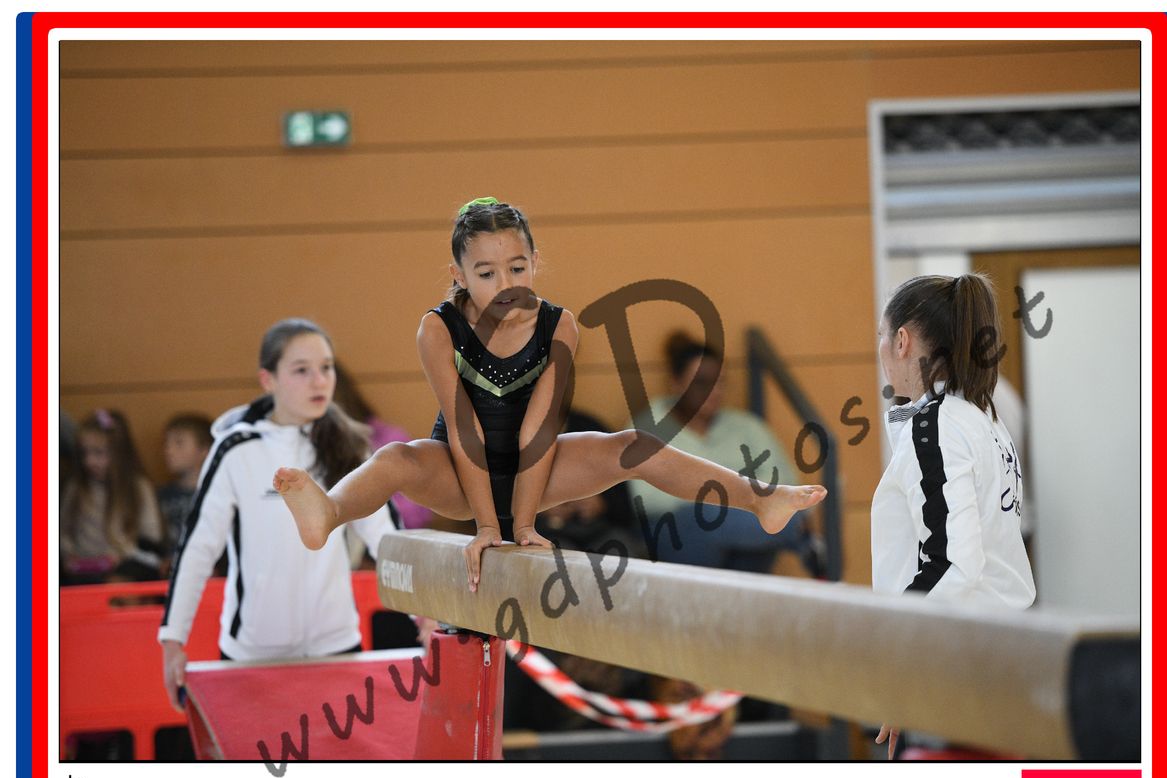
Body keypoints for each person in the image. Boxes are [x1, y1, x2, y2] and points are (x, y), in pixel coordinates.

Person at [272, 198, 827, 591]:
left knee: (632, 445)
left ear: (535, 263)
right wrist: (487, 528)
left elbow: (539, 432)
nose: (505, 284)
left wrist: (524, 526)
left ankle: (759, 499)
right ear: (459, 275)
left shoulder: (558, 327)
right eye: (486, 273)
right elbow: (464, 429)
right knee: (396, 457)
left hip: (537, 471)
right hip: (459, 473)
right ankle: (330, 510)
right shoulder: (438, 329)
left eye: (517, 267)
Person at [157, 318, 402, 712]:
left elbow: (388, 540)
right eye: (301, 370)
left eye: (326, 367)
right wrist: (173, 640)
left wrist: (425, 615)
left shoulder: (351, 448)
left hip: (337, 648)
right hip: (252, 655)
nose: (319, 381)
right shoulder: (235, 451)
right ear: (267, 380)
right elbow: (197, 548)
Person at [871, 273, 1036, 758]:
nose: (880, 349)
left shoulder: (939, 424)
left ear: (902, 341)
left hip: (960, 655)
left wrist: (895, 658)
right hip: (992, 646)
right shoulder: (981, 416)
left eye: (882, 335)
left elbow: (952, 563)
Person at [627, 332, 824, 575]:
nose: (713, 391)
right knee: (708, 515)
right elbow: (645, 497)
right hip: (674, 533)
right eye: (701, 382)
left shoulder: (746, 426)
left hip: (744, 537)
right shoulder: (647, 427)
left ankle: (796, 536)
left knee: (763, 522)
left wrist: (735, 501)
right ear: (675, 383)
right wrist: (734, 497)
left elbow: (784, 479)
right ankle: (801, 536)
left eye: (719, 382)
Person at [60, 409, 164, 584]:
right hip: (81, 569)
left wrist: (123, 555)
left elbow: (151, 537)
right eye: (84, 453)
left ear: (119, 453)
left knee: (120, 583)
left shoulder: (138, 487)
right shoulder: (76, 487)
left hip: (125, 565)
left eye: (99, 453)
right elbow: (64, 530)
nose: (89, 461)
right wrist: (68, 556)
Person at [332, 363, 433, 529]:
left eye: (325, 370)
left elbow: (417, 513)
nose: (318, 383)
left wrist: (354, 510)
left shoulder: (387, 441)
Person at [158, 413, 214, 561]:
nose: (168, 450)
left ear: (205, 451)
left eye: (179, 443)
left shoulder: (217, 495)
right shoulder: (160, 496)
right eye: (166, 443)